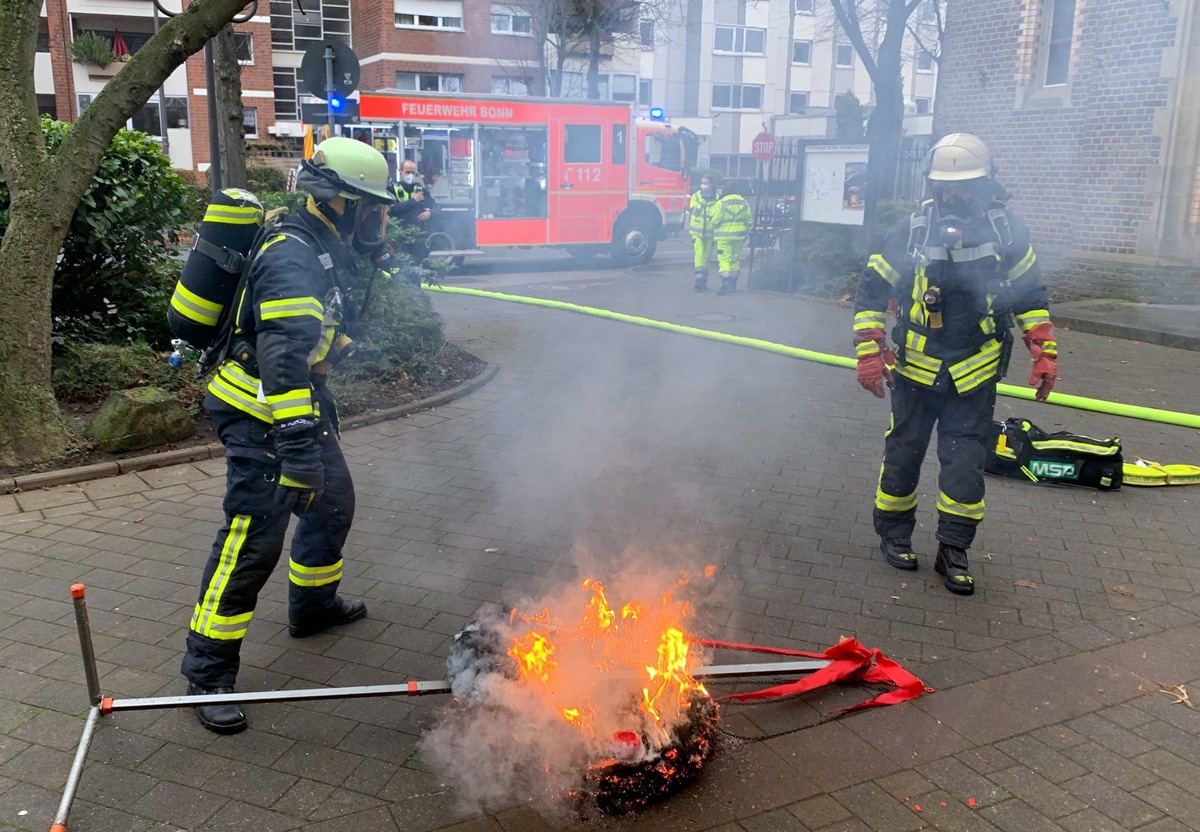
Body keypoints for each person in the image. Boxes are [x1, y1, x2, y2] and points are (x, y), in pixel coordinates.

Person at [181, 137, 397, 734]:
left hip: (292, 403)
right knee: (252, 539)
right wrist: (299, 451)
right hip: (260, 409)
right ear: (343, 202)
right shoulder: (294, 254)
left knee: (334, 504)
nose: (379, 220)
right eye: (373, 208)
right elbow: (280, 356)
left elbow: (312, 336)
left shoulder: (322, 243)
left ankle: (313, 606)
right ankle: (207, 671)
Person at [853, 133, 1057, 595]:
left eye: (963, 186)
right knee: (903, 451)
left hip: (975, 371)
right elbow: (870, 290)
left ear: (985, 185)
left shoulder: (1007, 232)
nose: (952, 195)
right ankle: (893, 532)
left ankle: (954, 549)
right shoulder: (913, 229)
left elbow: (1029, 296)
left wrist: (1044, 351)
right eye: (945, 186)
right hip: (914, 370)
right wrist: (868, 350)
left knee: (965, 461)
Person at [390, 157, 437, 280]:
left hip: (418, 239)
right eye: (407, 172)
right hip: (400, 238)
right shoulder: (392, 189)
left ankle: (417, 297)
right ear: (400, 172)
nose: (410, 175)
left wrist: (430, 213)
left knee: (416, 273)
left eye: (413, 172)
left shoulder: (420, 189)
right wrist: (413, 201)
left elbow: (436, 207)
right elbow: (392, 210)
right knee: (403, 272)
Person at [712, 184, 753, 295]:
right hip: (739, 236)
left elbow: (714, 220)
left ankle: (725, 284)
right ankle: (733, 284)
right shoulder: (744, 203)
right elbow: (749, 220)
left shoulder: (721, 203)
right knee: (735, 260)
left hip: (724, 236)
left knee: (724, 260)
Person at [688, 175, 720, 291]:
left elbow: (717, 213)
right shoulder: (696, 196)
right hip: (697, 231)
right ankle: (699, 280)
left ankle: (704, 280)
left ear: (711, 184)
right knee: (699, 254)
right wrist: (703, 201)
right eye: (702, 183)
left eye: (706, 183)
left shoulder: (716, 198)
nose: (703, 185)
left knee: (706, 257)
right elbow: (694, 210)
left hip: (710, 233)